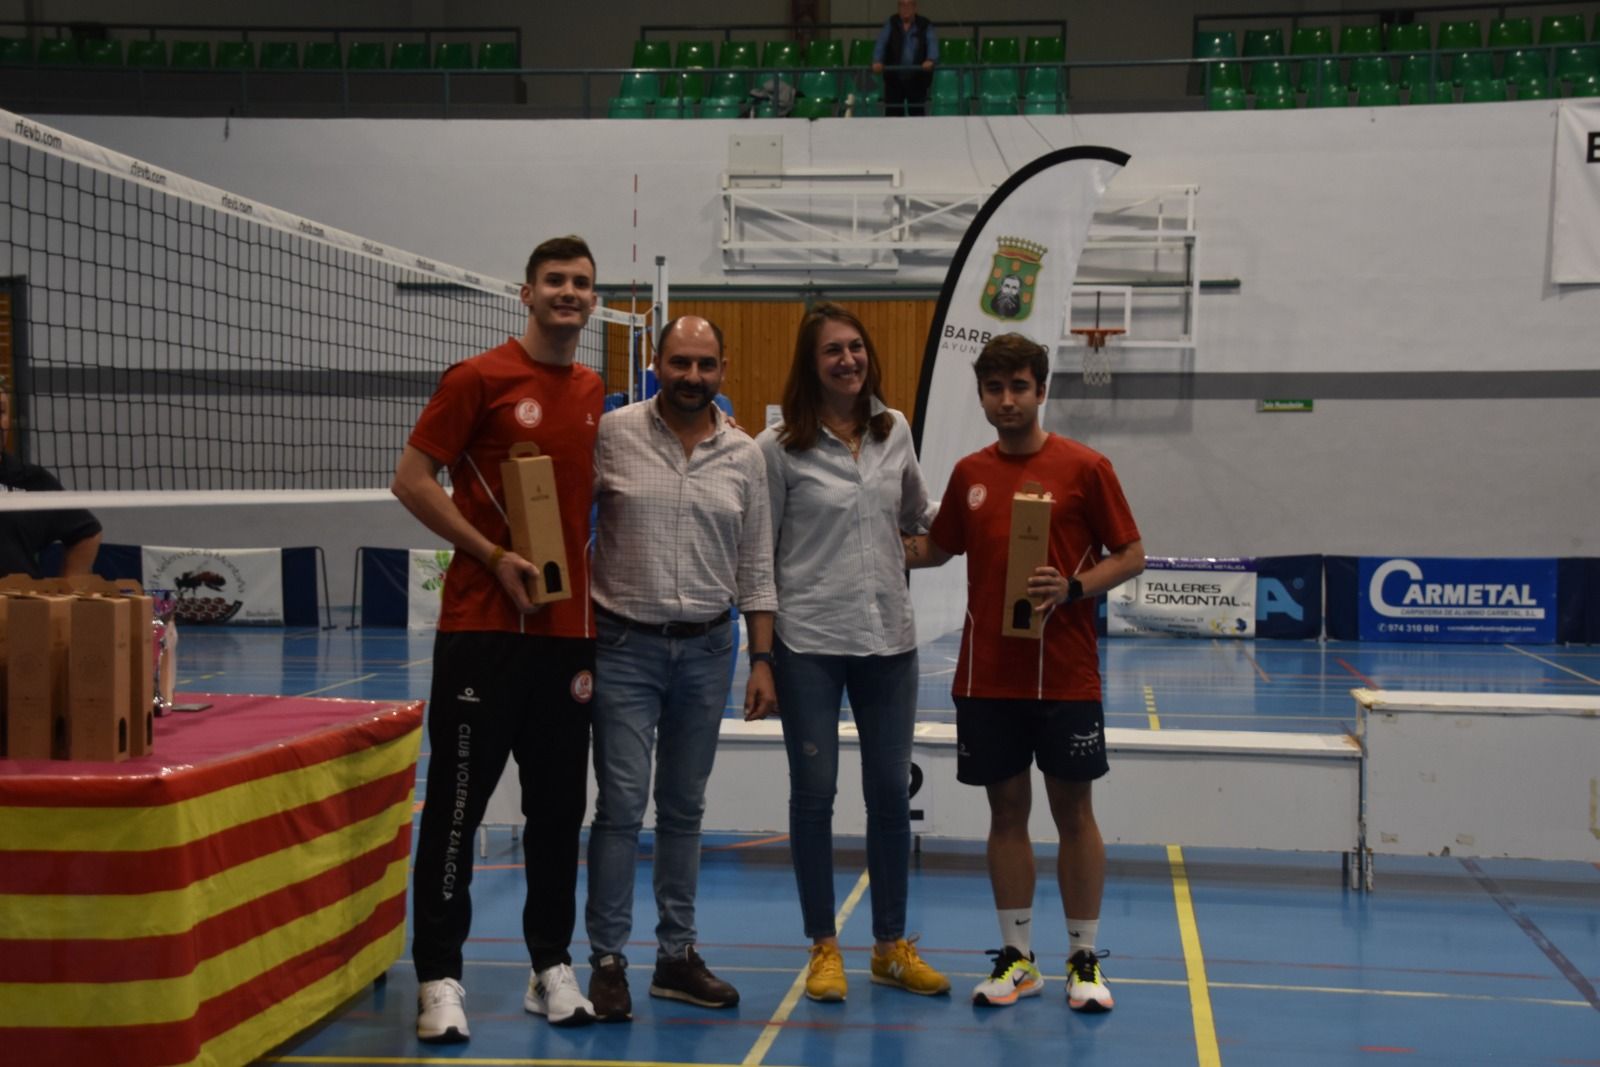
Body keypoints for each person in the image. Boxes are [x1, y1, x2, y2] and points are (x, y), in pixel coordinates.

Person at [392, 234, 604, 1042]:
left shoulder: (593, 389)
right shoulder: (476, 378)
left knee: (558, 811)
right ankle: (439, 976)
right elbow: (411, 479)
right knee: (458, 804)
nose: (568, 292)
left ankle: (551, 963)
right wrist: (490, 554)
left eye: (580, 283)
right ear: (526, 293)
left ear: (592, 300)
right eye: (554, 280)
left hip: (568, 635)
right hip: (482, 630)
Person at [904, 333, 1144, 1014]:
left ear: (1040, 390)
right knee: (1005, 814)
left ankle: (1083, 958)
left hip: (1066, 677)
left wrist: (1073, 587)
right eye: (994, 388)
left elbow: (1131, 553)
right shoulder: (969, 474)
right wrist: (856, 540)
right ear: (982, 396)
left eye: (1018, 387)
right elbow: (935, 547)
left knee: (1075, 814)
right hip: (987, 679)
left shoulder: (1086, 467)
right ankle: (1017, 958)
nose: (1006, 400)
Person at [584, 315, 779, 1022]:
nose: (692, 376)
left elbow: (757, 566)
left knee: (684, 808)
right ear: (657, 364)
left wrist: (762, 659)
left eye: (705, 364)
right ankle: (607, 960)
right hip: (623, 647)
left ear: (723, 369)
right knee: (620, 806)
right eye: (680, 362)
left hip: (707, 650)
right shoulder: (612, 433)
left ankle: (676, 956)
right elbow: (567, 523)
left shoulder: (745, 454)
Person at [756, 303, 951, 1003]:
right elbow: (760, 555)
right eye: (833, 351)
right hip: (808, 643)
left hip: (889, 642)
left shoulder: (893, 429)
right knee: (814, 798)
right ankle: (823, 946)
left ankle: (890, 947)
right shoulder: (776, 447)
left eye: (856, 347)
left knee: (890, 797)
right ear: (811, 366)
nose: (848, 360)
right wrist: (761, 656)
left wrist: (981, 519)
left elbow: (921, 523)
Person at [0, 384, 102, 577]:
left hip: (17, 595)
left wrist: (68, 590)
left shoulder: (31, 479)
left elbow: (88, 533)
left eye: (1, 412)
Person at [872, 0, 939, 117]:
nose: (905, 8)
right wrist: (877, 60)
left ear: (915, 7)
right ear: (898, 7)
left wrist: (931, 59)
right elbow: (881, 43)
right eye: (902, 5)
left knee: (917, 116)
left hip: (917, 78)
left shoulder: (925, 24)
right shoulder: (891, 22)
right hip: (894, 78)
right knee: (893, 117)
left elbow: (932, 43)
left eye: (909, 4)